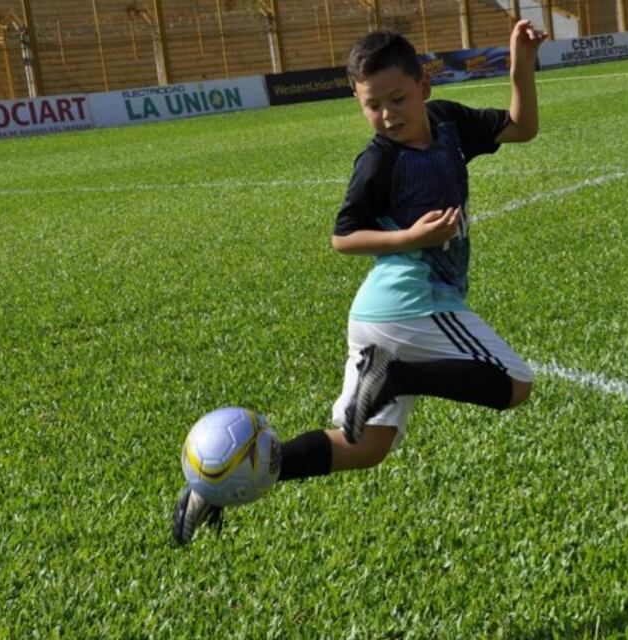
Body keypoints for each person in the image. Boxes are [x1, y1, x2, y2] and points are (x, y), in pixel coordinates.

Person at [173, 21, 547, 545]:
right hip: (413, 303)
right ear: (358, 101)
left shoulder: (449, 122)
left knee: (366, 448)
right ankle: (395, 376)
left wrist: (521, 66)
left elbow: (521, 127)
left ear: (424, 85)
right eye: (373, 105)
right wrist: (411, 238)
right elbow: (343, 238)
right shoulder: (378, 161)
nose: (388, 114)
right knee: (514, 384)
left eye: (397, 99)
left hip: (377, 319)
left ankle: (218, 484)